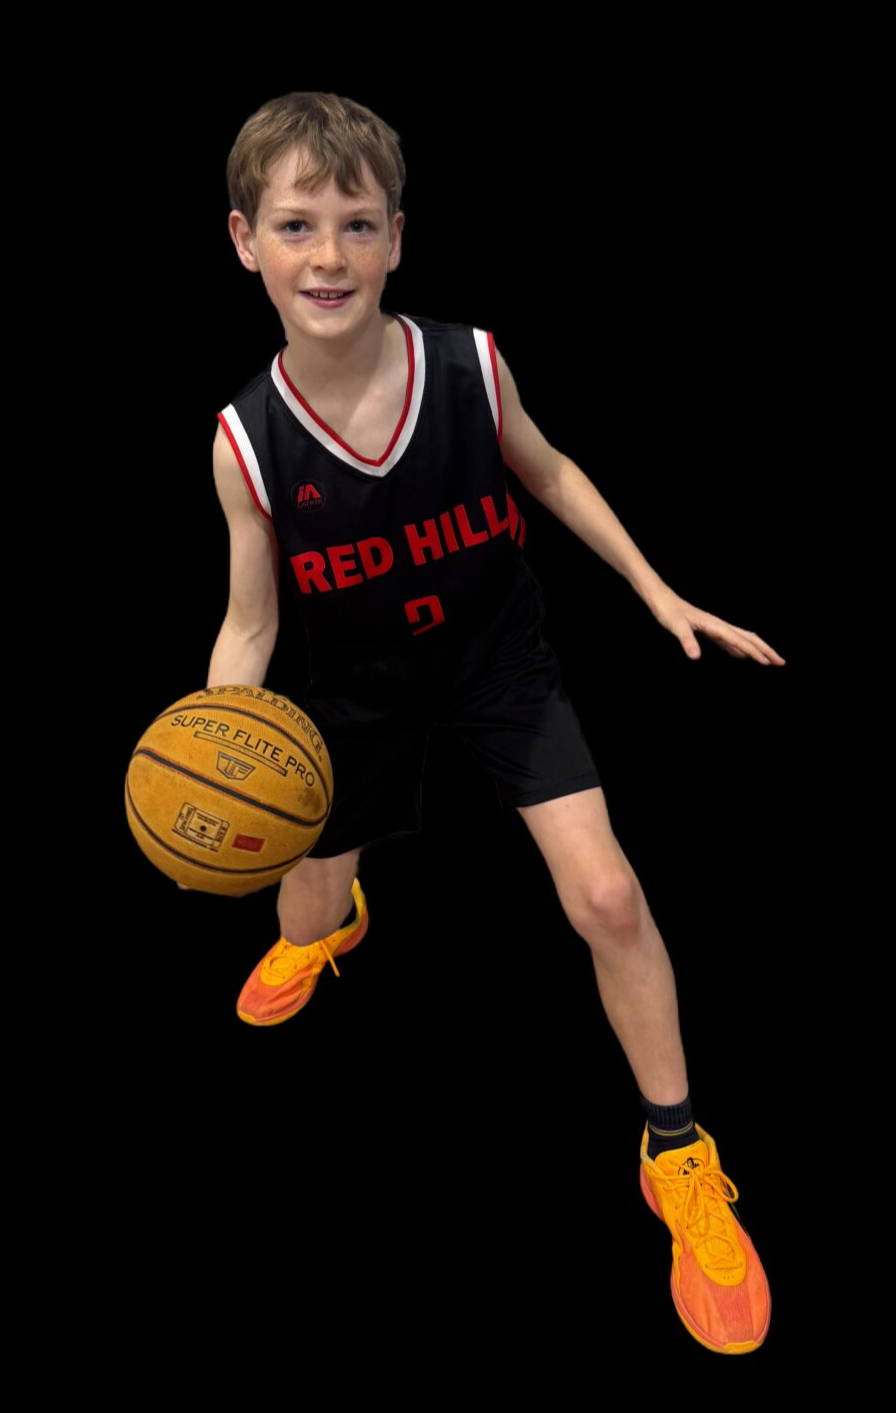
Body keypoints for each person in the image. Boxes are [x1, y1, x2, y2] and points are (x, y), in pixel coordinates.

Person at [194, 90, 786, 1355]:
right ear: (245, 240)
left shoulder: (464, 362)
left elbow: (548, 468)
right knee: (298, 912)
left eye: (357, 224)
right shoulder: (246, 442)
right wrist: (218, 740)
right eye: (296, 225)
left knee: (609, 898)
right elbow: (249, 626)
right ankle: (333, 922)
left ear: (396, 238)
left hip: (494, 665)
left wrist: (655, 589)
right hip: (355, 692)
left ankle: (676, 1151)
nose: (328, 255)